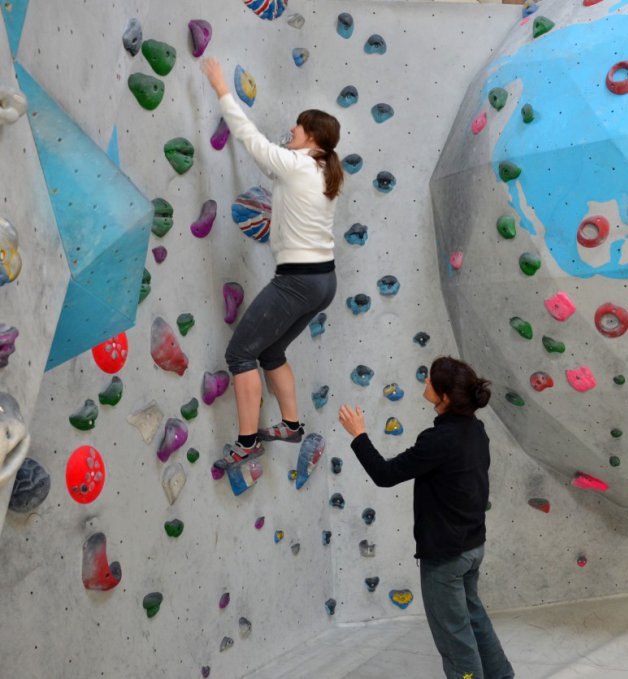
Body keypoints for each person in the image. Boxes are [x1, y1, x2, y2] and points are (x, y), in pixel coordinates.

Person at [200, 57, 341, 466]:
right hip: (323, 282)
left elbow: (252, 140)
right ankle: (292, 426)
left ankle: (246, 442)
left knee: (240, 354)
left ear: (311, 136)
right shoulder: (323, 170)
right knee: (272, 351)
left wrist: (221, 87)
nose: (292, 131)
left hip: (297, 282)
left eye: (298, 127)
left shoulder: (298, 164)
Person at [338, 357, 514, 679]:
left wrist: (358, 435)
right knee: (474, 619)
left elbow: (385, 474)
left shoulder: (438, 441)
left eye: (429, 381)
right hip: (473, 547)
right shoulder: (476, 430)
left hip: (446, 557)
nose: (425, 384)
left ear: (444, 397)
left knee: (455, 639)